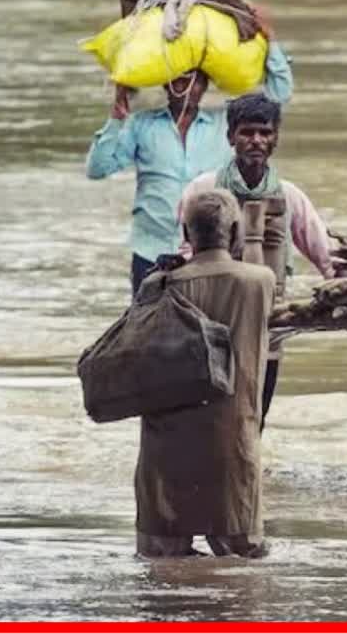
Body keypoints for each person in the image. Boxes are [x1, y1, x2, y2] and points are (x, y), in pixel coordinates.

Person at [85, 7, 294, 296]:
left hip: (213, 252)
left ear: (204, 83)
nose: (184, 87)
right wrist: (117, 117)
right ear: (166, 83)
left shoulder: (225, 124)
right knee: (150, 332)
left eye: (192, 78)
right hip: (152, 250)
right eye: (177, 79)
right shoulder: (140, 126)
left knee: (212, 331)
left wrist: (269, 41)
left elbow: (278, 97)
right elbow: (97, 168)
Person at [179, 93, 335, 429]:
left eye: (265, 133)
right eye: (247, 132)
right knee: (210, 414)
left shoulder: (289, 196)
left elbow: (325, 253)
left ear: (275, 138)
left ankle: (247, 474)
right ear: (230, 136)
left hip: (268, 319)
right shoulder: (202, 189)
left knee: (255, 416)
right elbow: (185, 253)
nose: (256, 141)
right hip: (211, 319)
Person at [135, 189, 276, 559]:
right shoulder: (258, 282)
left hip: (166, 442)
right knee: (243, 559)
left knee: (161, 561)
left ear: (185, 231)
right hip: (230, 438)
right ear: (233, 231)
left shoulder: (160, 285)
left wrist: (162, 275)